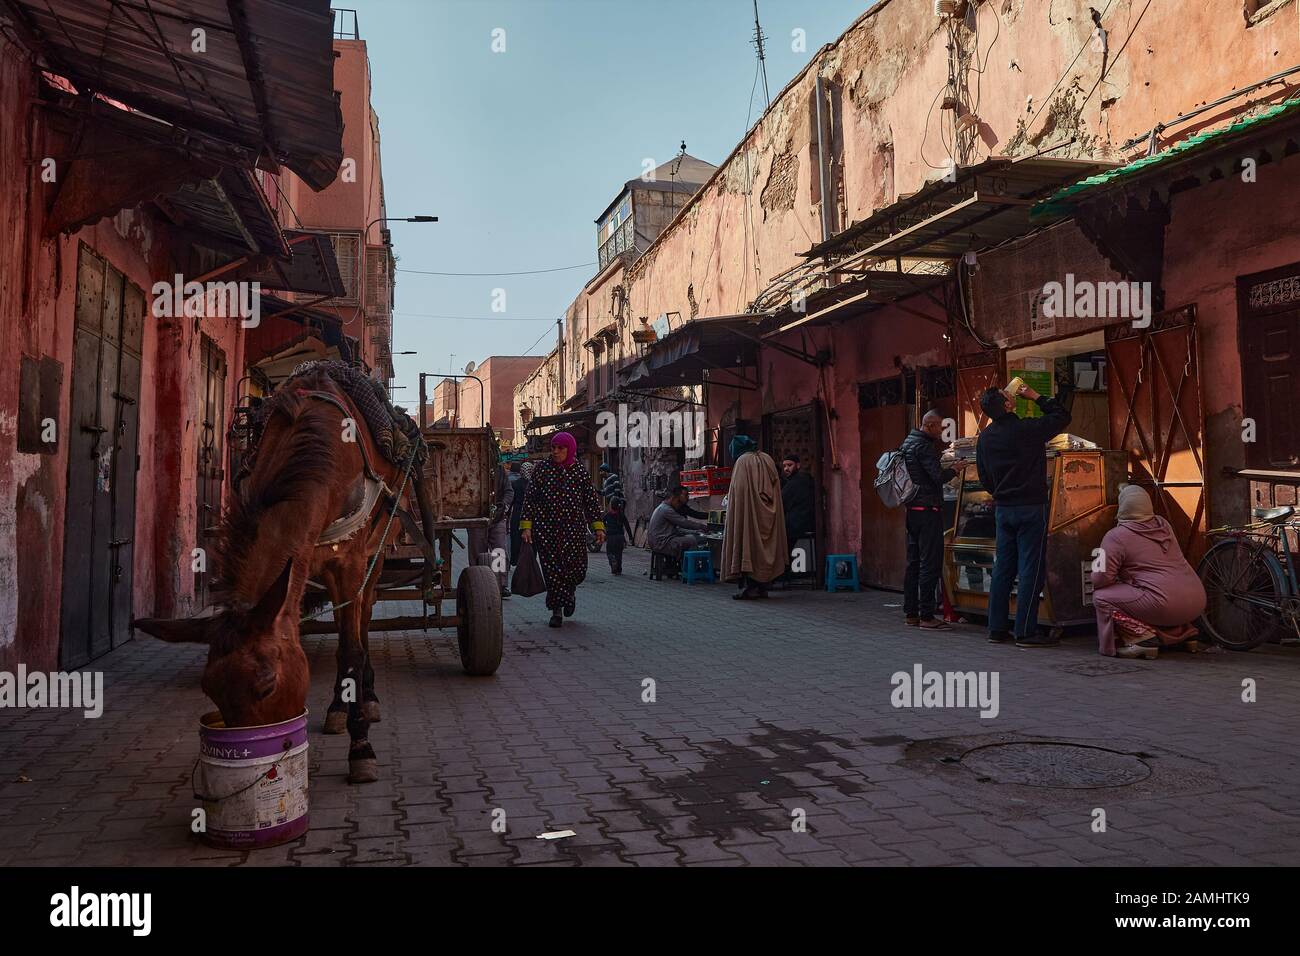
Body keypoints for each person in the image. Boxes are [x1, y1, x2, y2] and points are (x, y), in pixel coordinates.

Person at [975, 382, 1071, 646]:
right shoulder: (1026, 429)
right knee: (1030, 568)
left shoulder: (985, 437)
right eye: (1009, 396)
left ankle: (996, 628)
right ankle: (1025, 631)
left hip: (1003, 509)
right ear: (1007, 404)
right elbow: (1062, 416)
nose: (1013, 395)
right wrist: (1035, 395)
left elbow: (983, 477)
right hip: (1030, 507)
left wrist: (1000, 492)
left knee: (1003, 568)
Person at [1091, 485, 1206, 659]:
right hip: (1197, 600)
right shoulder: (1163, 524)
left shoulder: (1116, 536)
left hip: (1164, 604)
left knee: (1101, 597)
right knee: (1149, 593)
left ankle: (1143, 638)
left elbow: (1100, 579)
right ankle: (1186, 634)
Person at [519, 432, 606, 628]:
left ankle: (570, 594)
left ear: (569, 449)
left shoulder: (579, 471)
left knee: (577, 569)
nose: (556, 452)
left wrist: (598, 527)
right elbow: (530, 499)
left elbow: (590, 501)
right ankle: (556, 610)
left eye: (561, 448)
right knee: (552, 572)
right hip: (546, 531)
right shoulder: (542, 469)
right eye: (553, 448)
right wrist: (527, 527)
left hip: (574, 531)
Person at [900, 410, 965, 629]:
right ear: (929, 426)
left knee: (913, 562)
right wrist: (954, 470)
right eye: (939, 427)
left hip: (912, 509)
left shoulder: (907, 442)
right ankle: (927, 615)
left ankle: (911, 613)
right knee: (930, 562)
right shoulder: (924, 446)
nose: (941, 431)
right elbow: (936, 476)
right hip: (928, 510)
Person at [722, 435, 788, 600]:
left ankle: (751, 588)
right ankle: (762, 587)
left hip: (750, 516)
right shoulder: (767, 459)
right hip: (768, 517)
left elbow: (738, 492)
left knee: (749, 547)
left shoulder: (743, 462)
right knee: (764, 549)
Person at [469, 462, 514, 597]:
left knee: (499, 551)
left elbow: (509, 491)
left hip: (497, 518)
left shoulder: (499, 469)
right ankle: (477, 583)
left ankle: (500, 584)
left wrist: (504, 505)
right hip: (476, 517)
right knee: (477, 552)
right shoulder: (470, 467)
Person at [648, 485, 707, 559]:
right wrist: (701, 526)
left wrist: (695, 532)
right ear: (674, 498)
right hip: (662, 543)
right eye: (685, 495)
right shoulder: (666, 510)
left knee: (691, 537)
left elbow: (676, 529)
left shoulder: (663, 507)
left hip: (660, 541)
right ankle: (691, 568)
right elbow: (684, 522)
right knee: (694, 540)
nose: (687, 498)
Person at [780, 454, 816, 547]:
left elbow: (782, 502)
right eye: (784, 466)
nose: (786, 469)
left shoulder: (795, 482)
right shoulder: (804, 479)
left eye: (789, 465)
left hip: (795, 528)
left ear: (798, 465)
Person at [604, 495, 635, 575]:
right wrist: (631, 537)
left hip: (610, 537)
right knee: (619, 554)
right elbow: (627, 526)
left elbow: (602, 523)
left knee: (610, 552)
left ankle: (612, 561)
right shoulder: (621, 515)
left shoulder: (607, 515)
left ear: (611, 506)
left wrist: (604, 531)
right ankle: (618, 570)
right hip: (620, 537)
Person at [507, 460, 527, 565]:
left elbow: (511, 500)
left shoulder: (513, 482)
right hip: (529, 514)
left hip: (517, 512)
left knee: (516, 536)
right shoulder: (534, 484)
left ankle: (515, 559)